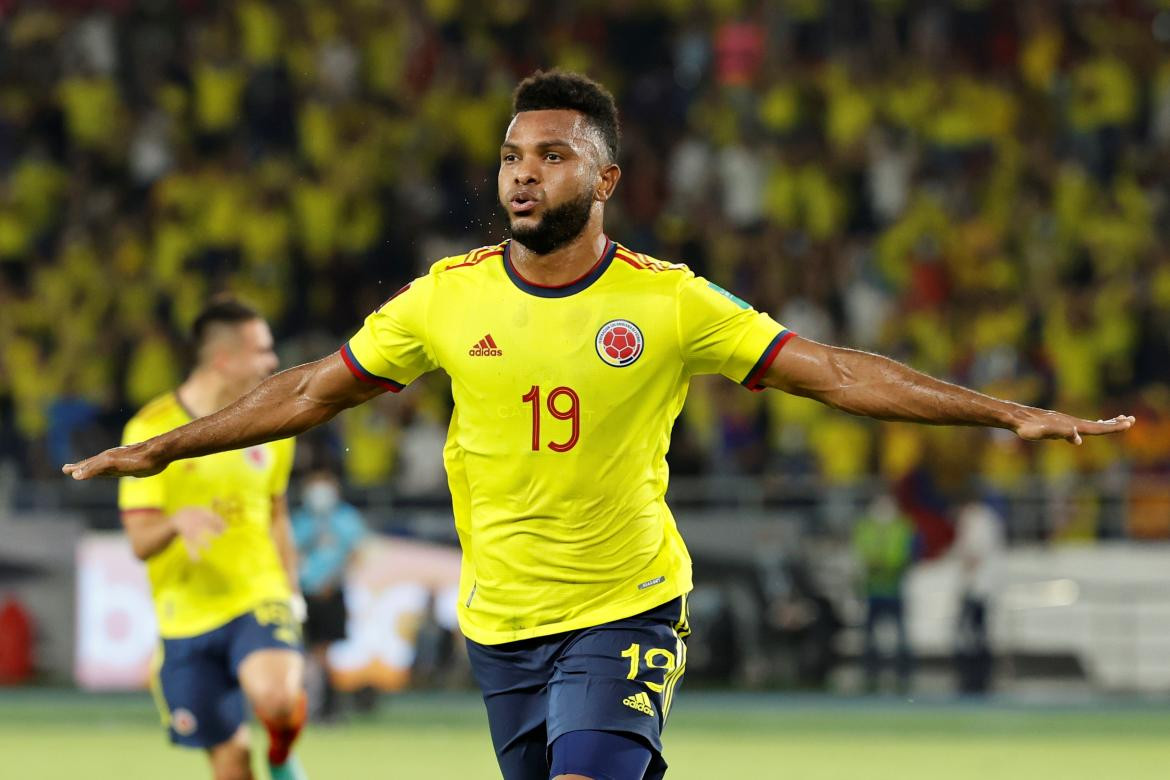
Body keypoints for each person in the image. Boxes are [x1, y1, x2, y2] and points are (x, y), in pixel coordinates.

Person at [65, 71, 1135, 780]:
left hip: (625, 606)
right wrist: (167, 445)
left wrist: (1001, 414)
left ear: (605, 179)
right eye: (511, 157)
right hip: (499, 625)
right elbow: (307, 389)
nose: (524, 173)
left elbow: (836, 371)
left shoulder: (669, 302)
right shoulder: (445, 297)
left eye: (552, 155)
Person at [115, 299, 308, 780]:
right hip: (186, 616)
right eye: (262, 351)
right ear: (224, 359)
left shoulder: (274, 425)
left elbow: (277, 513)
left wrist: (291, 588)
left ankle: (282, 758)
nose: (272, 362)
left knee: (278, 700)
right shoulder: (150, 429)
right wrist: (176, 520)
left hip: (256, 594)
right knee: (232, 766)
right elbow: (140, 541)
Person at [290, 467, 367, 721]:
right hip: (306, 592)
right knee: (306, 650)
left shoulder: (345, 518)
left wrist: (336, 578)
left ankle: (328, 706)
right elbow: (291, 551)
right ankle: (308, 704)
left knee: (326, 651)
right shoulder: (301, 520)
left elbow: (356, 553)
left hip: (332, 592)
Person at [852, 493, 916, 693]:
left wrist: (886, 564)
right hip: (873, 590)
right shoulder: (865, 527)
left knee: (900, 634)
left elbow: (905, 554)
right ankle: (870, 673)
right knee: (871, 635)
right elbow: (860, 553)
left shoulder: (901, 527)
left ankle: (904, 674)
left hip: (893, 588)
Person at [952, 497, 1006, 694]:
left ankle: (975, 679)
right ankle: (976, 678)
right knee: (976, 634)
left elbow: (973, 555)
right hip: (981, 587)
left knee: (973, 635)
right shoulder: (987, 519)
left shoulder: (978, 521)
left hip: (978, 588)